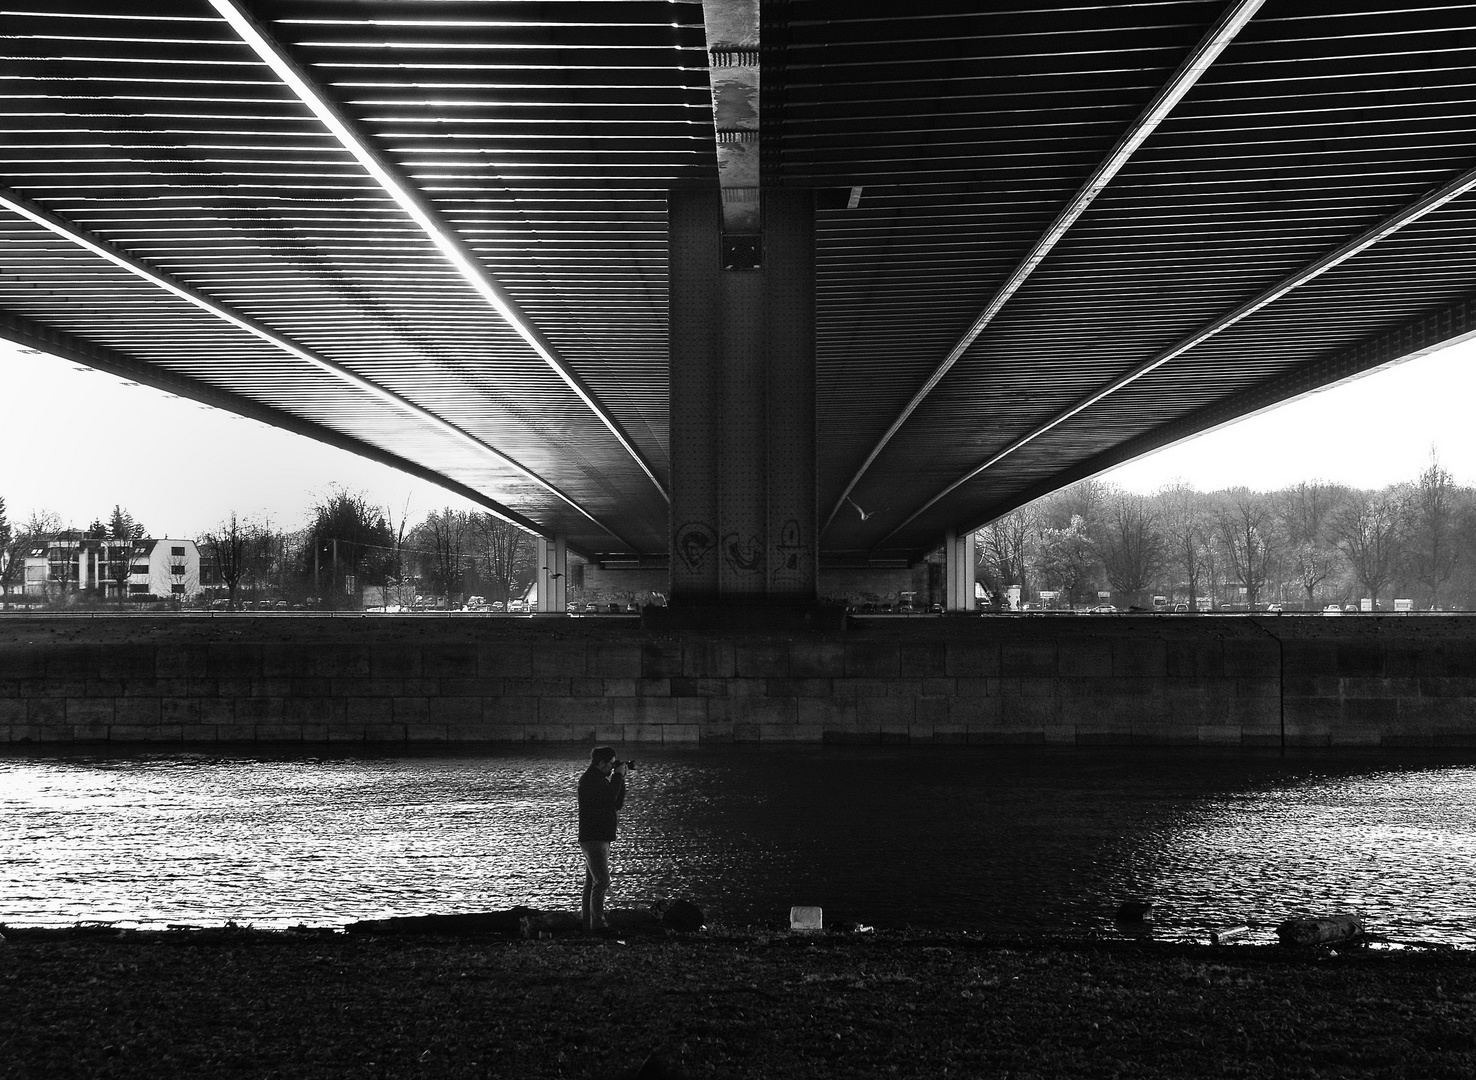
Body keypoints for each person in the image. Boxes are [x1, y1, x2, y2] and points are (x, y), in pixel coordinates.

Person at [577, 745, 628, 932]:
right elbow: (608, 799)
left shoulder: (599, 779)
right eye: (611, 764)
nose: (613, 768)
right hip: (594, 838)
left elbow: (616, 803)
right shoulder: (590, 780)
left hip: (598, 837)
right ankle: (597, 923)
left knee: (591, 882)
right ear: (601, 763)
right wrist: (618, 776)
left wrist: (621, 779)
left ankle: (587, 920)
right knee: (602, 881)